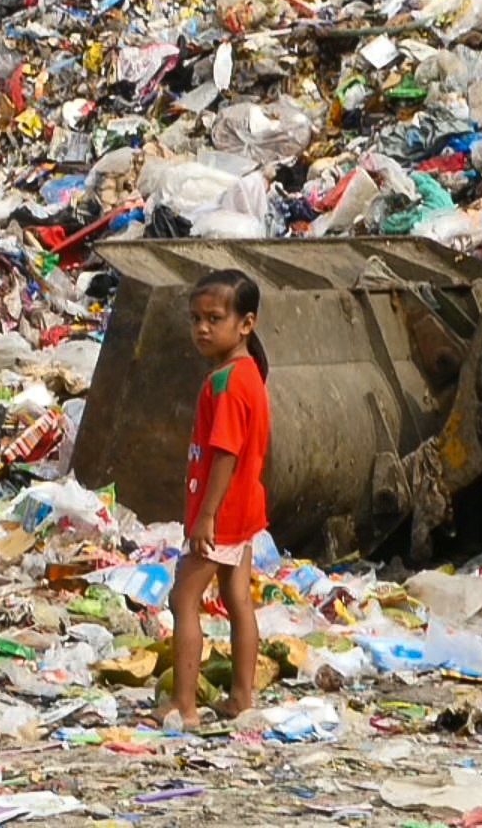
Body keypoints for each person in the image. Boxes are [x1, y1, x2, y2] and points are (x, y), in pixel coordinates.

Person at [166, 269, 271, 726]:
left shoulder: (226, 383)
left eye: (214, 319)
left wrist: (205, 515)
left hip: (222, 514)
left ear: (246, 324)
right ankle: (241, 697)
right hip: (245, 508)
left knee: (183, 599)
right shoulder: (249, 375)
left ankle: (184, 706)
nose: (202, 329)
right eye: (196, 319)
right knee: (237, 598)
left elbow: (226, 452)